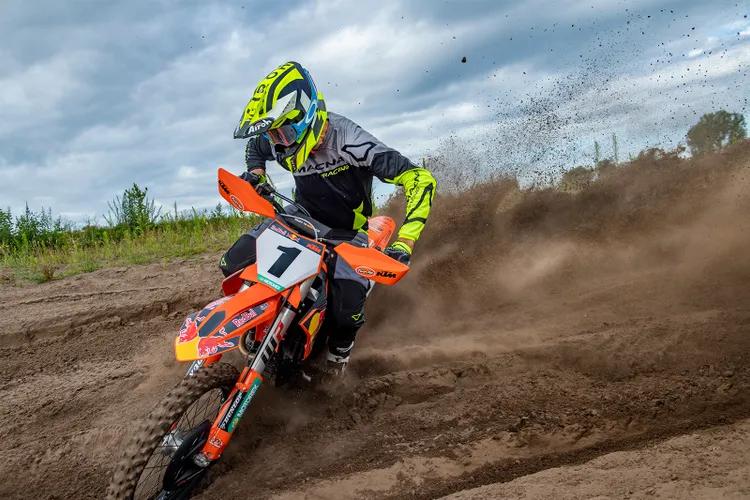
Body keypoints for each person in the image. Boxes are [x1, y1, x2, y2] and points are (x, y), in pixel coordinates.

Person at [221, 61, 436, 375]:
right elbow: (256, 144)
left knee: (347, 311)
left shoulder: (350, 140)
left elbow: (419, 179)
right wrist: (256, 174)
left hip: (346, 233)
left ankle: (336, 364)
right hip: (299, 218)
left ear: (306, 116)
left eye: (283, 132)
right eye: (274, 134)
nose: (279, 142)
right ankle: (254, 326)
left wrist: (405, 242)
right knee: (232, 262)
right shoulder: (279, 138)